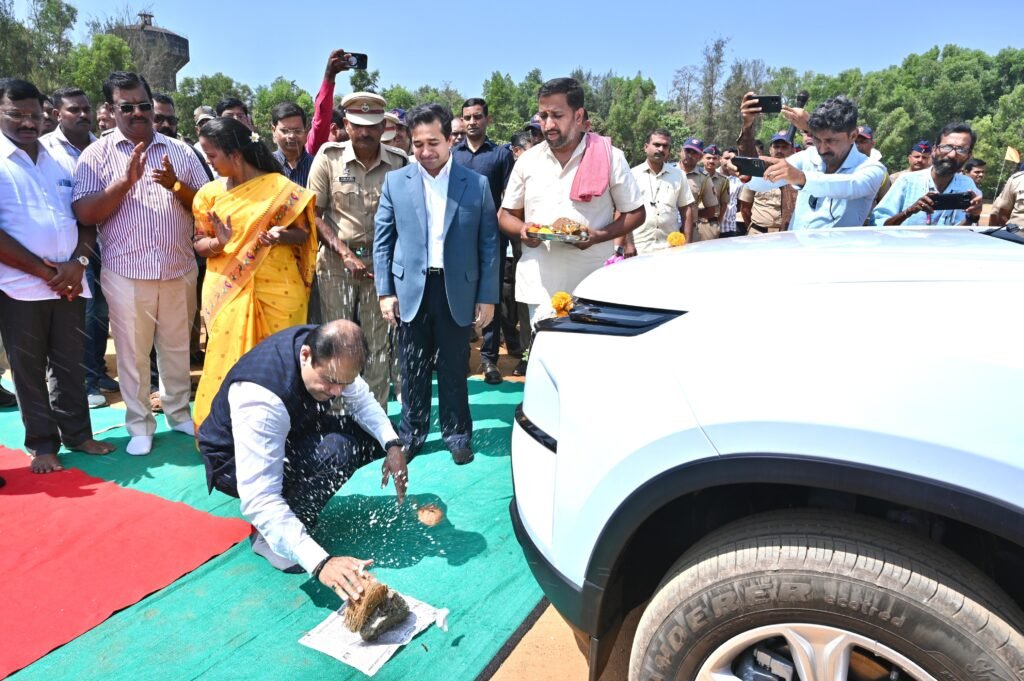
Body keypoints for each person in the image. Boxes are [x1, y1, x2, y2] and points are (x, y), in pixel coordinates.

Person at [198, 321, 408, 582]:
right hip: (232, 461)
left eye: (345, 383)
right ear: (306, 355)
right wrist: (320, 563)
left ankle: (292, 515)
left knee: (374, 437)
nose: (337, 391)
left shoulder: (332, 352)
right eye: (330, 382)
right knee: (338, 452)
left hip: (290, 429)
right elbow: (259, 498)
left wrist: (393, 445)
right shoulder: (262, 400)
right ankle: (269, 538)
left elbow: (362, 402)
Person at [72, 71, 207, 456]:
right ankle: (139, 424)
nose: (137, 113)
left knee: (177, 349)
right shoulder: (96, 155)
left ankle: (178, 412)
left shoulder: (180, 151)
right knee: (132, 354)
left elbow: (207, 203)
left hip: (178, 267)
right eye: (126, 106)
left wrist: (177, 186)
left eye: (143, 105)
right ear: (110, 109)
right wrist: (124, 183)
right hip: (126, 273)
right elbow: (84, 212)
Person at [0, 78, 115, 472]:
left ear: (45, 114)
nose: (27, 122)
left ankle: (79, 435)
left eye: (34, 115)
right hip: (18, 288)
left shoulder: (62, 160)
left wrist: (78, 263)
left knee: (70, 363)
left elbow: (86, 218)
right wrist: (44, 271)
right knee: (28, 369)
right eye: (16, 114)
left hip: (70, 283)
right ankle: (43, 444)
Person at [374, 103, 500, 464]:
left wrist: (487, 297)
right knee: (412, 366)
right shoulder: (396, 182)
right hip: (410, 290)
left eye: (433, 143)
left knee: (454, 365)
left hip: (456, 288)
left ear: (449, 140)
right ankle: (411, 434)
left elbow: (489, 243)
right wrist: (385, 291)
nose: (426, 151)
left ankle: (457, 434)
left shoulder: (475, 185)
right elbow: (383, 240)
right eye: (418, 144)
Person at [191, 118, 319, 430]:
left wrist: (280, 235)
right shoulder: (209, 194)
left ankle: (282, 431)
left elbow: (303, 233)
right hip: (228, 290)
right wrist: (219, 242)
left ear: (235, 154)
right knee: (227, 359)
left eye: (212, 155)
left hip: (280, 290)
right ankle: (224, 433)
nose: (209, 162)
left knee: (281, 362)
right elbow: (199, 243)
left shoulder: (281, 189)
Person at [498, 77, 644, 328]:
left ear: (578, 116)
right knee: (544, 350)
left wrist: (598, 236)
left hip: (593, 285)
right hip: (540, 287)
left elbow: (636, 213)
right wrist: (523, 230)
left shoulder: (609, 156)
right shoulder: (528, 161)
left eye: (557, 115)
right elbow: (505, 215)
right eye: (543, 116)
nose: (548, 124)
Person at [308, 92, 409, 409]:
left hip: (380, 267)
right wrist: (344, 253)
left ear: (383, 127)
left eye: (372, 125)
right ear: (346, 125)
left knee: (377, 344)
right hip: (336, 264)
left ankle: (374, 414)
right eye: (358, 125)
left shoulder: (399, 163)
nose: (365, 132)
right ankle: (338, 413)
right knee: (338, 342)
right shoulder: (329, 158)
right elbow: (312, 214)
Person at [41, 87, 117, 409]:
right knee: (81, 314)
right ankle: (84, 382)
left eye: (86, 108)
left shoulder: (102, 147)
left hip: (106, 243)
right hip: (70, 249)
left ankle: (97, 371)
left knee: (101, 312)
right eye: (74, 109)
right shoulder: (44, 150)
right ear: (57, 114)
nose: (83, 114)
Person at [738, 94, 886, 229]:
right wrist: (745, 170)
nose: (822, 149)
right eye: (817, 139)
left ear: (853, 136)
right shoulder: (807, 156)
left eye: (830, 141)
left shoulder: (872, 168)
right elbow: (760, 184)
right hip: (796, 247)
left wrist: (801, 178)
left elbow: (849, 185)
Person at [451, 97, 516, 384]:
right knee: (459, 297)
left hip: (492, 239)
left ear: (487, 119)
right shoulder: (453, 155)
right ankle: (461, 355)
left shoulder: (501, 155)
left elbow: (509, 197)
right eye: (467, 117)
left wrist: (492, 226)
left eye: (477, 116)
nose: (472, 122)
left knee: (491, 295)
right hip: (458, 241)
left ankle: (489, 359)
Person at [872, 123, 982, 227]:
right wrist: (909, 211)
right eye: (947, 147)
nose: (952, 155)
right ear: (934, 150)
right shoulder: (908, 181)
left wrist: (973, 217)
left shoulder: (967, 185)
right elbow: (877, 224)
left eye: (961, 149)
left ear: (969, 156)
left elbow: (965, 232)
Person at [628, 128, 694, 253]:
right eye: (657, 145)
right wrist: (628, 244)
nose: (661, 149)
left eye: (665, 146)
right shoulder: (632, 175)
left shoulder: (678, 175)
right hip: (640, 247)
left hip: (672, 247)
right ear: (646, 147)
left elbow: (686, 210)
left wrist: (688, 243)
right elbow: (623, 212)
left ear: (669, 150)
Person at [737, 131, 795, 235]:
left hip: (788, 234)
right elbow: (745, 208)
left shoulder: (798, 173)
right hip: (758, 232)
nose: (779, 151)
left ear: (793, 150)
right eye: (776, 147)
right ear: (770, 150)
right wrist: (754, 228)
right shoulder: (757, 171)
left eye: (784, 147)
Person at [678, 138, 719, 241]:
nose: (690, 155)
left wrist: (692, 214)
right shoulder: (669, 172)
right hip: (667, 229)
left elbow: (711, 211)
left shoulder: (704, 177)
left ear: (700, 157)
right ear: (681, 151)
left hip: (691, 231)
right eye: (687, 151)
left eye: (694, 153)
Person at [270, 102, 313, 187]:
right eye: (285, 131)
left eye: (297, 131)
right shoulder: (264, 165)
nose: (292, 136)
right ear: (274, 131)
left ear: (306, 132)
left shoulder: (317, 165)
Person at [717, 147, 745, 237]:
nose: (729, 162)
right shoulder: (711, 176)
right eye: (726, 158)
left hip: (730, 227)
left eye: (733, 159)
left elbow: (740, 203)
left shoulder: (739, 179)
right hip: (712, 227)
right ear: (720, 159)